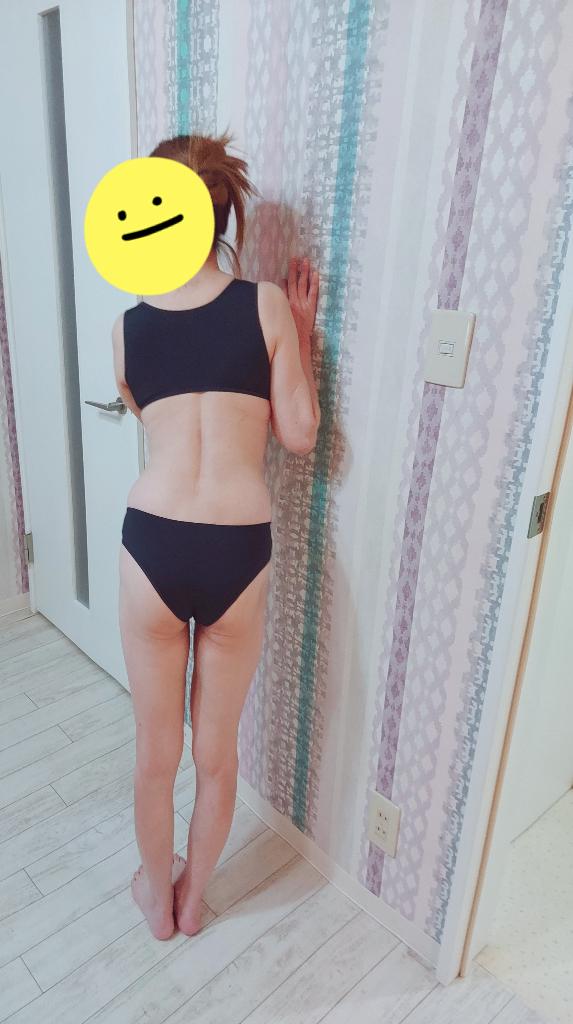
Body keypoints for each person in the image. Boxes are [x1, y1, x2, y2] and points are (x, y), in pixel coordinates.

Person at [111, 130, 321, 940]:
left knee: (154, 752)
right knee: (216, 753)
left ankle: (155, 905)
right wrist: (298, 332)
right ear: (221, 214)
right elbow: (297, 435)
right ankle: (195, 899)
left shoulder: (126, 327)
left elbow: (145, 413)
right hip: (238, 549)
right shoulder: (265, 304)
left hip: (153, 546)